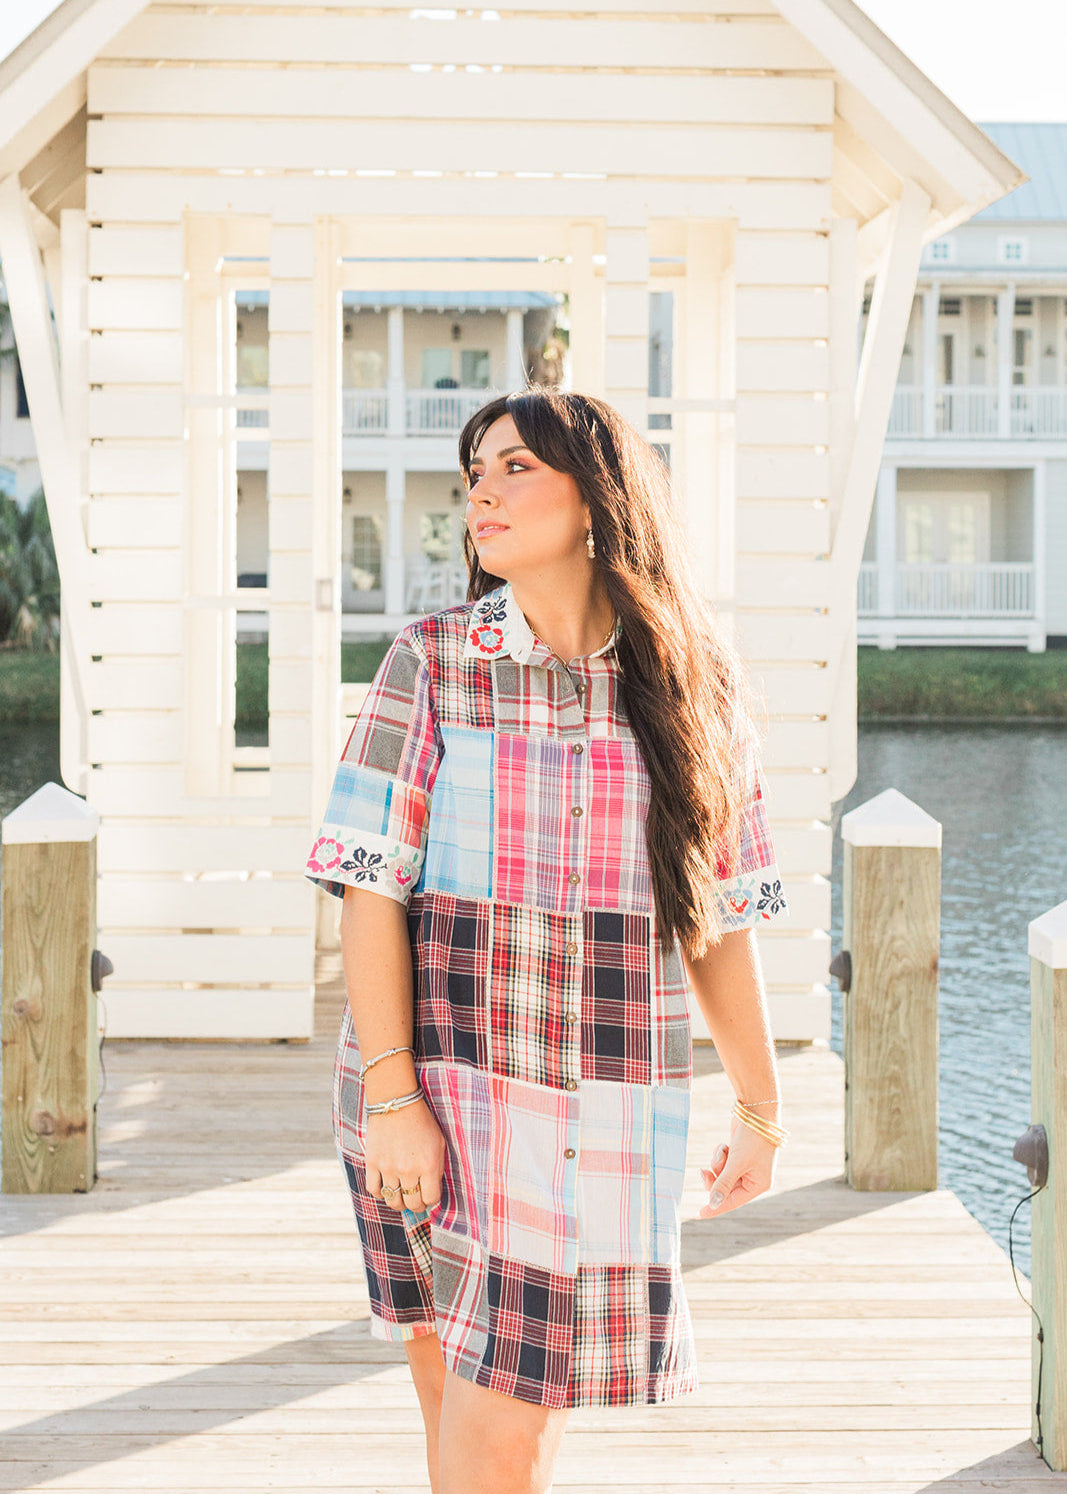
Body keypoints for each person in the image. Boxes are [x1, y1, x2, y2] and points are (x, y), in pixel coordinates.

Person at [304, 387, 791, 1494]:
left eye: (516, 466)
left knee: (516, 1412)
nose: (483, 487)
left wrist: (759, 1106)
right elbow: (365, 888)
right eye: (474, 469)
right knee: (471, 1413)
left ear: (595, 499)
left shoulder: (693, 686)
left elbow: (714, 913)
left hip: (601, 1109)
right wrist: (394, 1101)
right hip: (429, 1094)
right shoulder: (431, 663)